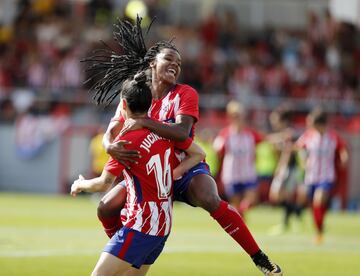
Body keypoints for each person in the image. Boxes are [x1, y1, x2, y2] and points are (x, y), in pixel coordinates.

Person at [85, 16, 282, 275]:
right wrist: (110, 146)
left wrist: (144, 122)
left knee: (209, 197)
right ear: (153, 62)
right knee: (105, 206)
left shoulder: (185, 93)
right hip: (154, 173)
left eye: (179, 63)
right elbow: (113, 127)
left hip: (185, 168)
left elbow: (181, 132)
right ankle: (124, 250)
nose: (175, 66)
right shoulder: (136, 93)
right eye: (169, 60)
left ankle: (259, 258)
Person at [71, 73, 206, 276]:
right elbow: (199, 153)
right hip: (163, 225)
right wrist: (174, 173)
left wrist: (80, 184)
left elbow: (103, 183)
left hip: (141, 225)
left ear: (123, 104)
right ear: (150, 103)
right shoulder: (164, 130)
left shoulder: (128, 140)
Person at [295, 108, 348, 244]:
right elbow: (299, 147)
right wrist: (303, 161)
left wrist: (343, 158)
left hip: (326, 175)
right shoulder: (308, 136)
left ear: (319, 123)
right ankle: (320, 227)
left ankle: (319, 232)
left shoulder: (332, 136)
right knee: (314, 205)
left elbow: (342, 148)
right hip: (311, 176)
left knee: (319, 200)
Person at [213, 100, 264, 216]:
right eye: (236, 116)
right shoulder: (225, 134)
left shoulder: (250, 134)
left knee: (252, 198)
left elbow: (264, 139)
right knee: (235, 205)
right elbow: (217, 150)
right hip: (231, 174)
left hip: (248, 173)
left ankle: (241, 212)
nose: (240, 119)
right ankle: (242, 226)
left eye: (241, 116)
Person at [268, 109, 305, 235]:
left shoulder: (289, 133)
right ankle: (293, 217)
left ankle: (294, 215)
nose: (273, 122)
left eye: (275, 119)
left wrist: (281, 167)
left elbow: (288, 151)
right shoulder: (283, 134)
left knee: (277, 195)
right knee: (283, 197)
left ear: (282, 120)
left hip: (290, 168)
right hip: (289, 168)